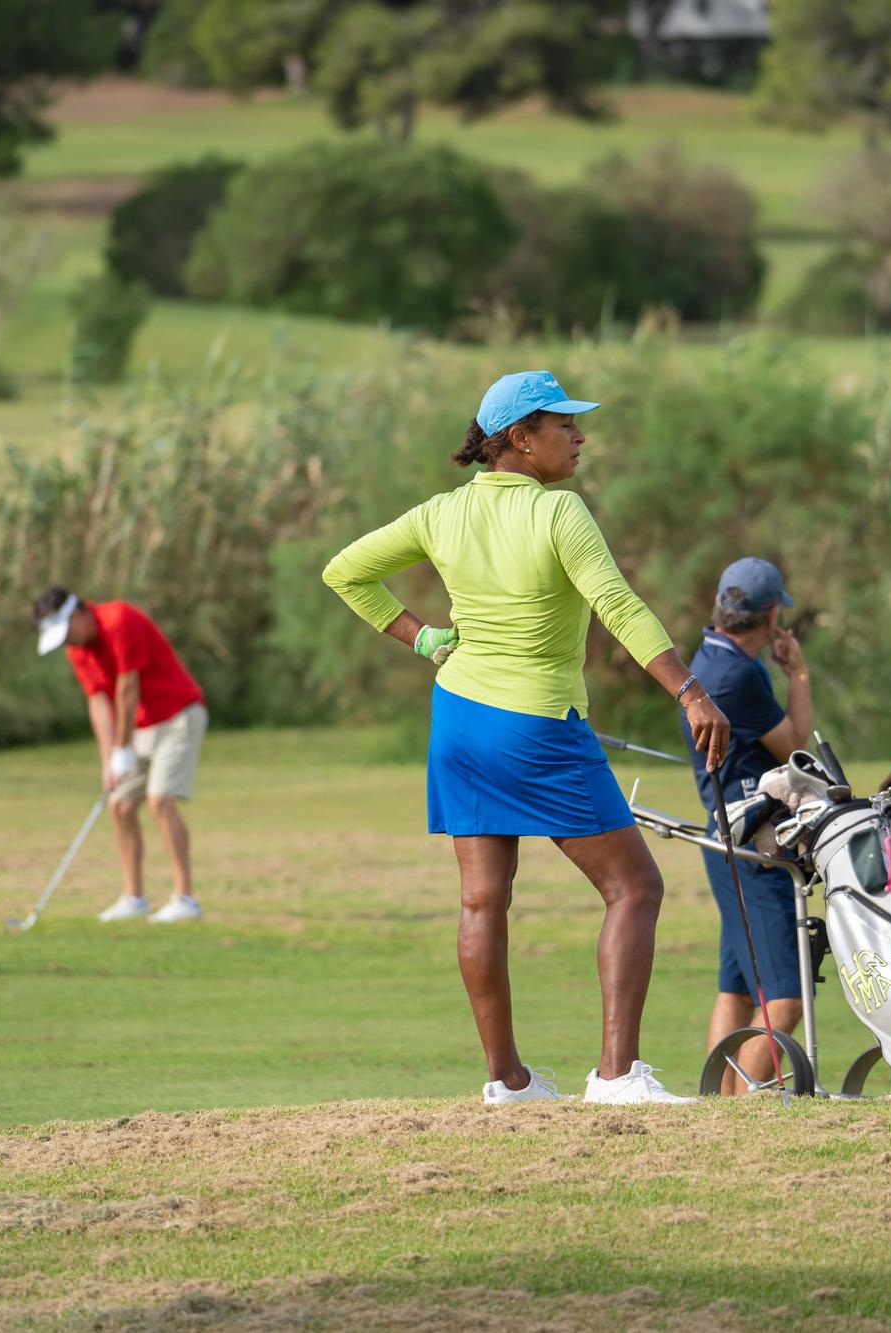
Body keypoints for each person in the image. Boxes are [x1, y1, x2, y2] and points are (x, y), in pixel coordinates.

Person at [322, 370, 731, 1106]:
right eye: (563, 425)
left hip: (459, 721)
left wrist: (421, 639)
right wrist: (691, 690)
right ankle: (614, 1076)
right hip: (536, 726)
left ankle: (507, 1080)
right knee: (634, 886)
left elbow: (345, 571)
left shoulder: (441, 514)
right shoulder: (559, 513)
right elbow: (619, 606)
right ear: (520, 439)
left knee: (482, 900)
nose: (579, 436)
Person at [677, 557, 813, 1094]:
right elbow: (796, 748)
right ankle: (744, 1110)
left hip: (724, 842)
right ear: (773, 612)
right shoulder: (738, 676)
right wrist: (798, 675)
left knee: (736, 989)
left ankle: (720, 1107)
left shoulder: (708, 661)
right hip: (753, 847)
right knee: (785, 1000)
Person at [34, 587, 208, 924]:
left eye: (67, 633)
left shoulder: (119, 620)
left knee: (160, 801)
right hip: (139, 728)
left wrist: (122, 748)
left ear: (78, 614)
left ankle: (185, 899)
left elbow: (128, 689)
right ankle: (134, 898)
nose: (67, 643)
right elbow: (98, 703)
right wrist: (108, 761)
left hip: (178, 717)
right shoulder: (78, 650)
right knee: (120, 805)